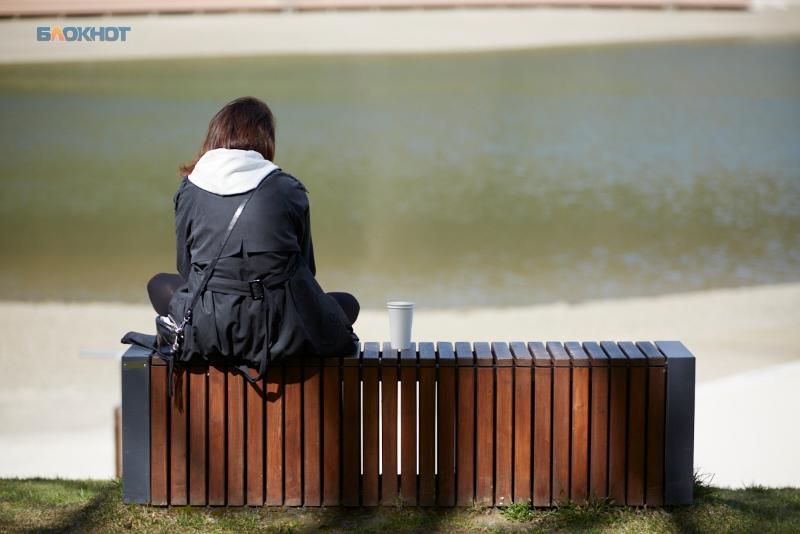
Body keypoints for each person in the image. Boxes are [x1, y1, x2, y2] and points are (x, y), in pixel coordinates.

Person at [146, 96, 359, 377]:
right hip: (279, 330)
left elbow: (186, 270)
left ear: (215, 136)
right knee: (348, 304)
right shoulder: (287, 189)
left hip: (211, 326)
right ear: (265, 140)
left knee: (159, 285)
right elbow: (307, 271)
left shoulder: (190, 188)